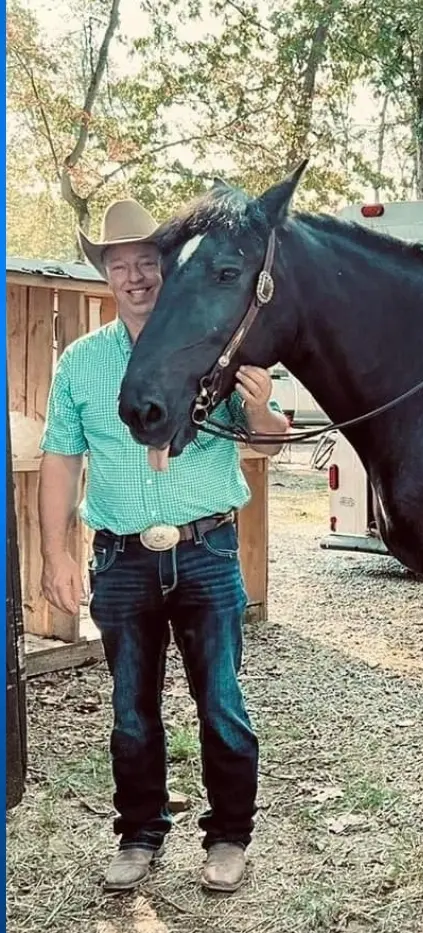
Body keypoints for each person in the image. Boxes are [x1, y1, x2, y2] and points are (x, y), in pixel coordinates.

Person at [38, 197, 289, 894]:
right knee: (130, 707)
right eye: (121, 265)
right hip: (121, 557)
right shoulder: (82, 364)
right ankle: (139, 834)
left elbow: (266, 441)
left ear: (165, 268)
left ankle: (230, 836)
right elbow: (61, 457)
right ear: (107, 275)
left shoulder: (215, 346)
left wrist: (263, 404)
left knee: (222, 701)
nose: (136, 276)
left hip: (205, 550)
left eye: (147, 262)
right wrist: (57, 554)